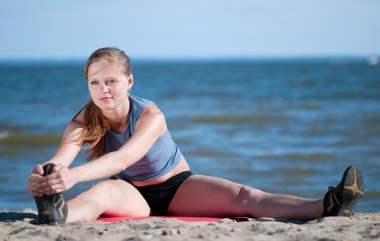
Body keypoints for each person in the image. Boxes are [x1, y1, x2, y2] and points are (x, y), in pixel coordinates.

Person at [27, 47, 364, 225]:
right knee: (101, 192)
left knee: (246, 196)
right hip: (129, 192)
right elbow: (62, 158)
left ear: (129, 82)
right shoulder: (84, 118)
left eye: (111, 81)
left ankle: (327, 205)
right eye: (95, 82)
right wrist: (47, 177)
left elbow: (124, 157)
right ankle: (58, 214)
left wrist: (70, 176)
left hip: (178, 187)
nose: (103, 90)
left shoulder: (150, 116)